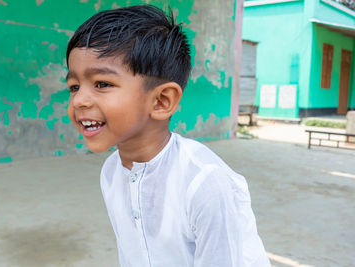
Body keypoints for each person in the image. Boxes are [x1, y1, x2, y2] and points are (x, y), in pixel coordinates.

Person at [65, 5, 270, 267]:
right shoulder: (111, 172)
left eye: (102, 84)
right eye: (74, 86)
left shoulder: (205, 184)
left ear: (162, 101)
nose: (79, 100)